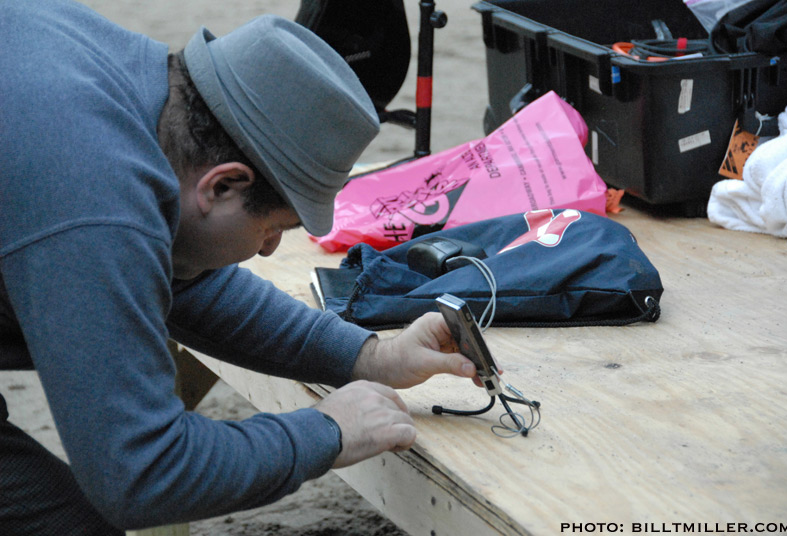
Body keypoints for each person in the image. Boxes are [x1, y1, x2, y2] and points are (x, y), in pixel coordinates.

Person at [0, 0, 478, 533]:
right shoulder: (92, 197)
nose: (270, 248)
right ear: (222, 185)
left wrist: (372, 356)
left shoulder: (128, 86)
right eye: (274, 228)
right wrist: (327, 431)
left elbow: (180, 281)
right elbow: (143, 473)